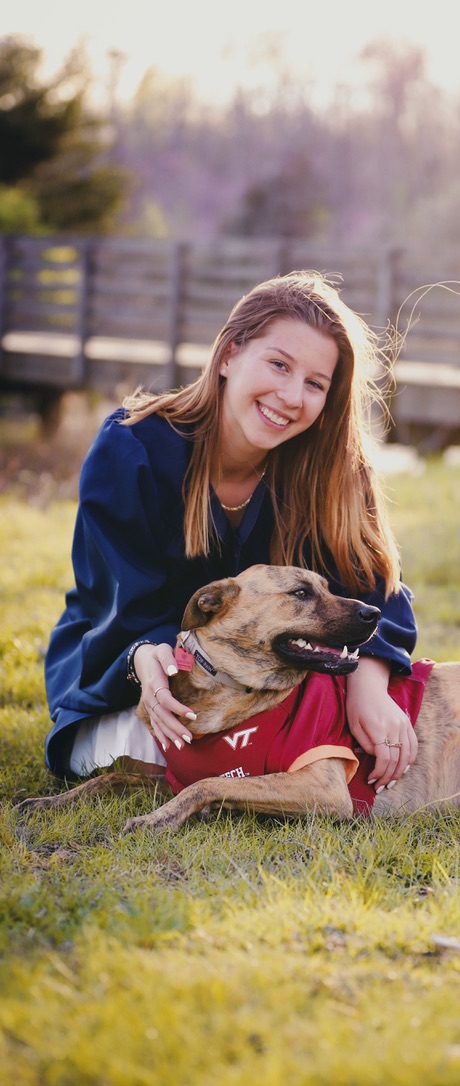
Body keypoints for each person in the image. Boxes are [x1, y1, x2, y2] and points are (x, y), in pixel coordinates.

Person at [44, 271, 418, 793]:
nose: (291, 396)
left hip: (267, 685)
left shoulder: (332, 471)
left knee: (340, 742)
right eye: (278, 365)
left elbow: (377, 589)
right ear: (228, 356)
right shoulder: (132, 451)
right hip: (137, 670)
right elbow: (120, 606)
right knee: (134, 753)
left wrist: (367, 681)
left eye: (315, 384)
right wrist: (144, 659)